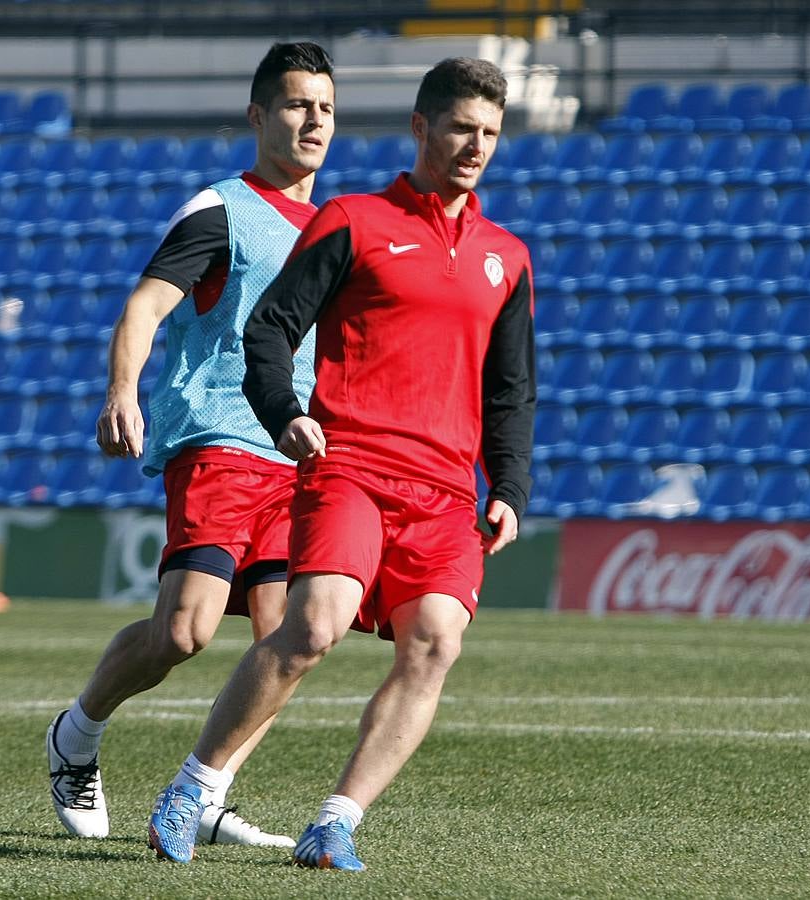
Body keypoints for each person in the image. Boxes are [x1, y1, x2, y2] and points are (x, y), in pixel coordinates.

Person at [145, 56, 535, 869]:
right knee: (310, 629)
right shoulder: (353, 220)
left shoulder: (508, 255)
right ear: (421, 127)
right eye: (462, 127)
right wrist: (284, 414)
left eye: (490, 132)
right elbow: (269, 331)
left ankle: (336, 822)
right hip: (349, 465)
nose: (475, 145)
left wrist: (510, 487)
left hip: (442, 492)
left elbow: (511, 391)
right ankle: (193, 785)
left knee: (433, 642)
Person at [45, 41, 336, 849]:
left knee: (292, 640)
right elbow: (145, 307)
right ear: (257, 116)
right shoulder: (220, 208)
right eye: (294, 103)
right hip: (218, 438)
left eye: (324, 107)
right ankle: (76, 735)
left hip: (298, 453)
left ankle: (209, 794)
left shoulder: (332, 229)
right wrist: (120, 389)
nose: (312, 119)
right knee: (183, 632)